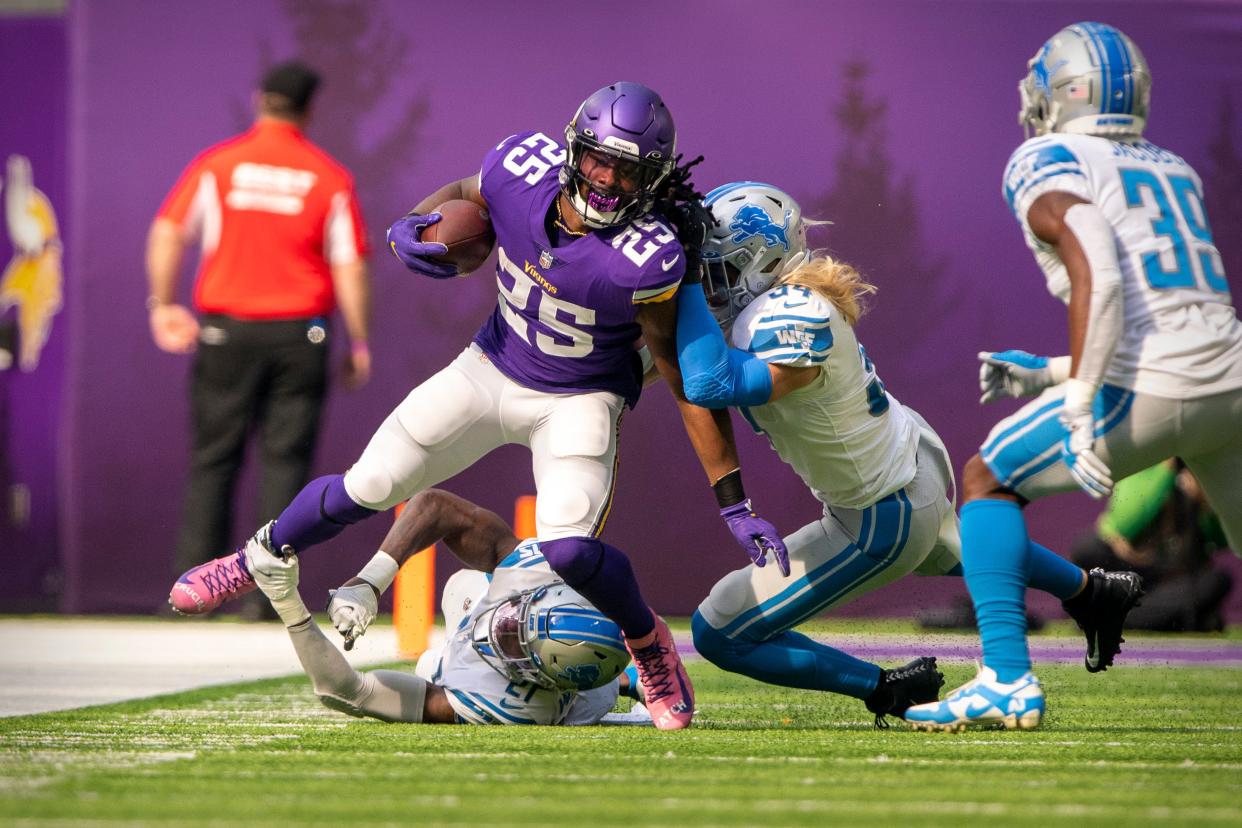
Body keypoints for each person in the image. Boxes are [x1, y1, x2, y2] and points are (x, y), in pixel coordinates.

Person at [169, 82, 781, 731]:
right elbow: (469, 194)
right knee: (370, 482)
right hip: (491, 367)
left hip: (580, 397)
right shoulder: (519, 168)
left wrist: (733, 499)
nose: (606, 179)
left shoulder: (647, 258)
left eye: (627, 170)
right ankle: (252, 557)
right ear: (574, 149)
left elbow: (678, 374)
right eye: (599, 158)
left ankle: (649, 644)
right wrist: (418, 221)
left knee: (569, 550)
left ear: (652, 181)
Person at [905, 22, 1242, 731]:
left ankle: (1004, 678)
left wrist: (1080, 398)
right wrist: (1052, 374)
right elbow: (1171, 310)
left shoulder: (1047, 157)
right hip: (1231, 379)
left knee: (987, 478)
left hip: (1152, 384)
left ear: (1067, 91)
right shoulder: (1173, 166)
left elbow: (1104, 273)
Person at [147, 60, 372, 613]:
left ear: (258, 99)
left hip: (227, 332)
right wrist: (360, 341)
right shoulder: (327, 176)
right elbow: (349, 265)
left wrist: (162, 306)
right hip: (302, 337)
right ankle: (269, 600)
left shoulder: (219, 165)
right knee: (285, 466)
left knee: (213, 459)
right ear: (309, 109)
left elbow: (168, 230)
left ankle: (190, 598)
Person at [250, 487, 645, 725]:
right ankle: (632, 676)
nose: (502, 629)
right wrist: (370, 582)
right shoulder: (541, 571)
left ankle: (624, 681)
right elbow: (436, 506)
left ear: (537, 676)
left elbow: (344, 691)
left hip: (575, 699)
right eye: (517, 620)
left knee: (429, 664)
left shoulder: (511, 706)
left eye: (516, 642)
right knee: (463, 587)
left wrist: (287, 602)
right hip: (568, 643)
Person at [1070, 460, 1232, 632]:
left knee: (1217, 580)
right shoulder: (1147, 465)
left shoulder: (1204, 473)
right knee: (1088, 548)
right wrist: (1166, 471)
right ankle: (1170, 619)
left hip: (1173, 578)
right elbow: (1125, 525)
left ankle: (1111, 618)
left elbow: (1223, 541)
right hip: (1133, 569)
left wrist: (1207, 504)